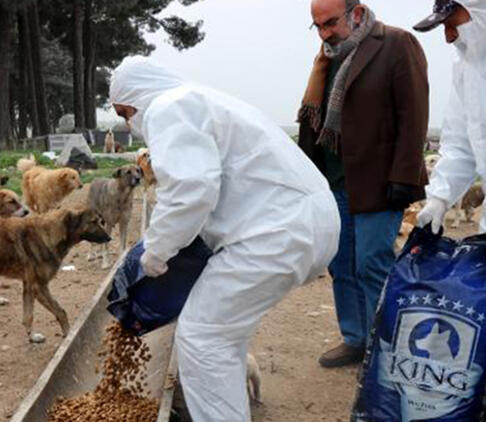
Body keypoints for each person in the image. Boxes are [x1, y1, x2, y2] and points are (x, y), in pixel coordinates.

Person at [109, 56, 341, 422]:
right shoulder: (201, 99)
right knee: (224, 337)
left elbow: (191, 191)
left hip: (274, 232)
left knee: (203, 338)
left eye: (125, 112)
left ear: (137, 97)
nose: (128, 122)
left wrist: (155, 252)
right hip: (303, 223)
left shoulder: (167, 107)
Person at [297, 0, 429, 368]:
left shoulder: (396, 45)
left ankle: (385, 348)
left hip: (379, 181)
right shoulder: (326, 58)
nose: (325, 33)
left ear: (356, 13)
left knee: (372, 263)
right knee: (341, 264)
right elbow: (314, 120)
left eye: (330, 23)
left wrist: (404, 175)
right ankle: (356, 339)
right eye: (317, 26)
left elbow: (414, 114)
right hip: (335, 182)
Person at [415, 0, 486, 234]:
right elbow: (460, 143)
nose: (449, 37)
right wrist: (439, 197)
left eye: (451, 24)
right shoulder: (469, 71)